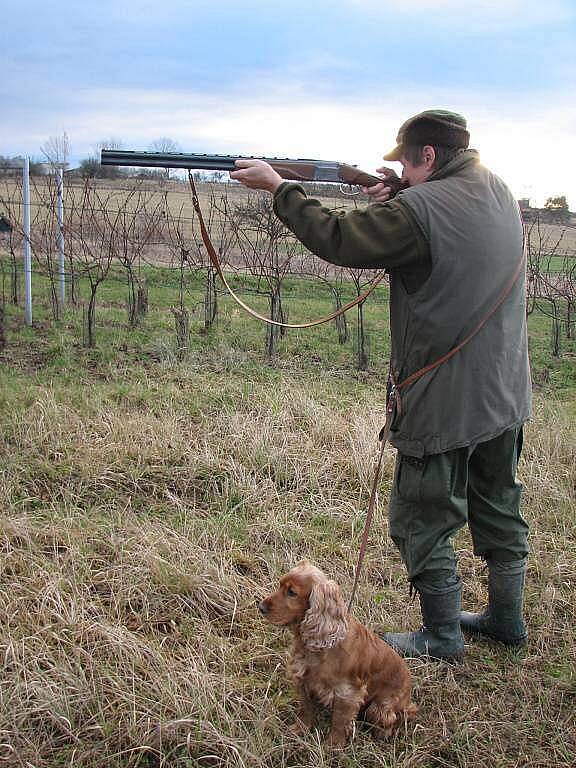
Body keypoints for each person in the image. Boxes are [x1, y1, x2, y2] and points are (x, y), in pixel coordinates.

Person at [231, 110, 531, 662]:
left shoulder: (422, 207)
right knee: (498, 504)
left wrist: (280, 188)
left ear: (429, 158)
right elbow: (446, 242)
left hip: (444, 398)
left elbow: (339, 239)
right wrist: (396, 197)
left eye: (406, 165)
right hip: (505, 392)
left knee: (420, 517)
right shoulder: (496, 189)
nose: (402, 174)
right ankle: (507, 621)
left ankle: (443, 637)